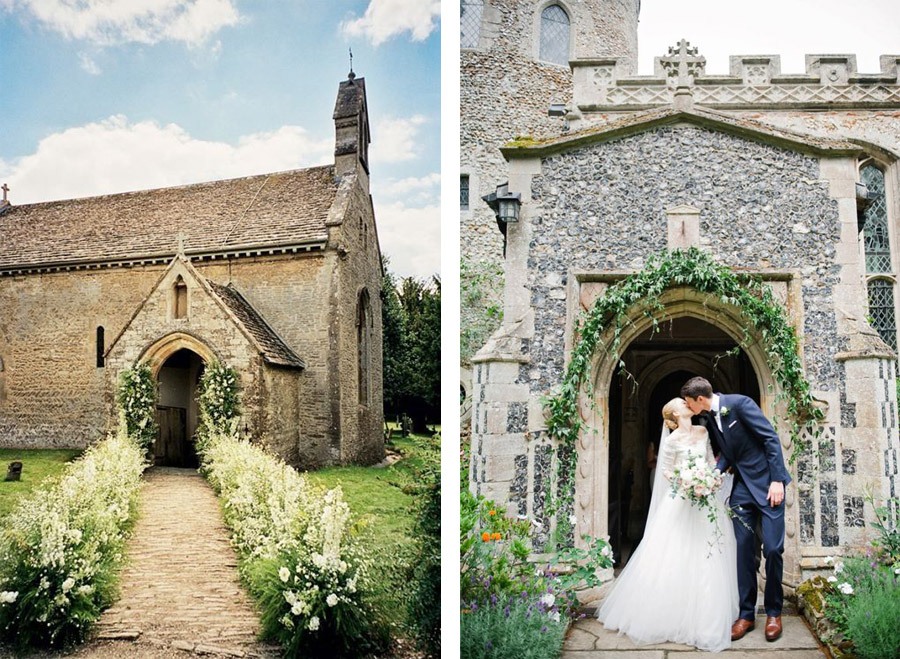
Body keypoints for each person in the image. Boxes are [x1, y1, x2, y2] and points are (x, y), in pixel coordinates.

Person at [597, 398, 738, 652]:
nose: (686, 405)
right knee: (675, 553)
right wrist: (685, 481)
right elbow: (666, 471)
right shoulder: (671, 440)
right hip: (682, 499)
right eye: (681, 404)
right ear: (673, 413)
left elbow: (708, 459)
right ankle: (670, 612)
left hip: (705, 498)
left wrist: (709, 478)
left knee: (707, 554)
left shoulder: (703, 431)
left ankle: (705, 616)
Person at [680, 376, 791, 643]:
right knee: (743, 551)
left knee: (773, 549)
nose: (687, 408)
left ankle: (774, 613)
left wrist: (777, 480)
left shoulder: (740, 405)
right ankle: (746, 615)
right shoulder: (709, 419)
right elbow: (730, 453)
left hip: (767, 486)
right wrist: (715, 473)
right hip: (741, 491)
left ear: (699, 399)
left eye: (688, 403)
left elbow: (770, 439)